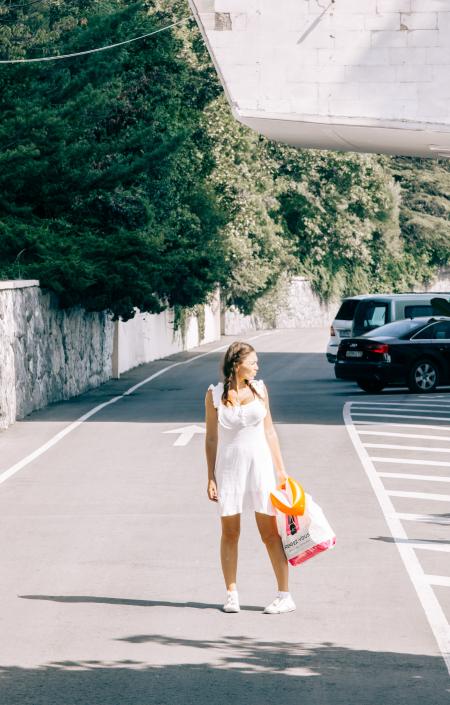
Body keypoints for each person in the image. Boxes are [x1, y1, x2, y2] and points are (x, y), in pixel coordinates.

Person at [205, 341, 296, 615]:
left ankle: (284, 595)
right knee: (230, 532)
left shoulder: (260, 389)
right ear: (237, 363)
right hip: (230, 469)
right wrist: (210, 476)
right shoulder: (214, 394)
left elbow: (269, 432)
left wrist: (281, 471)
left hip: (261, 468)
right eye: (253, 362)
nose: (257, 367)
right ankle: (231, 594)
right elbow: (211, 438)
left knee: (269, 533)